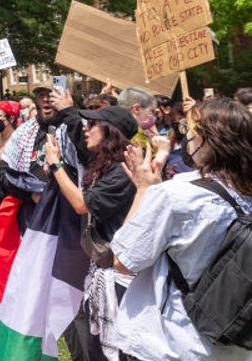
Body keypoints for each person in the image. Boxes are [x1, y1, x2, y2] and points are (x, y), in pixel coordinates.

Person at [107, 97, 252, 361]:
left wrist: (142, 190)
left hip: (175, 340)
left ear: (206, 140)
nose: (186, 138)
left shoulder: (174, 195)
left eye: (189, 130)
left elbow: (124, 261)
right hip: (236, 342)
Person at [45, 99, 138, 361]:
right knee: (98, 346)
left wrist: (55, 165)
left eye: (93, 124)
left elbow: (81, 204)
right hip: (103, 271)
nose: (86, 129)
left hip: (121, 276)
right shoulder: (106, 165)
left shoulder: (122, 171)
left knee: (115, 350)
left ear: (111, 132)